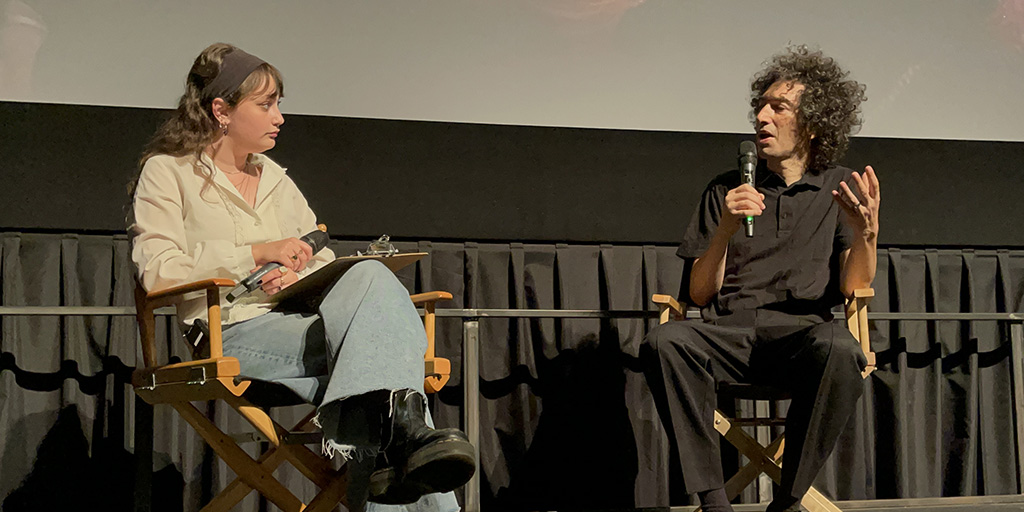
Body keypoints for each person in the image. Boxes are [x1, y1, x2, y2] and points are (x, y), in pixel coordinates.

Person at [128, 43, 474, 511]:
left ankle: (399, 443)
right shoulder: (168, 172)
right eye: (266, 104)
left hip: (297, 317)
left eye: (278, 104)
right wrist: (252, 255)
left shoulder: (274, 177)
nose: (279, 117)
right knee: (389, 368)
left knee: (367, 278)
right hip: (228, 330)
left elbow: (316, 255)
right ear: (221, 109)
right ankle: (404, 440)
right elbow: (158, 270)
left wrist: (295, 274)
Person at [640, 46, 878, 512]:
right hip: (728, 335)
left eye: (778, 108)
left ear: (811, 123)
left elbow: (853, 288)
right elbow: (699, 293)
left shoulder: (839, 186)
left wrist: (867, 234)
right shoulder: (725, 189)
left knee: (841, 349)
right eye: (760, 107)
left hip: (801, 337)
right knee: (664, 342)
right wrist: (725, 231)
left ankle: (787, 500)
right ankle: (714, 501)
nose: (761, 118)